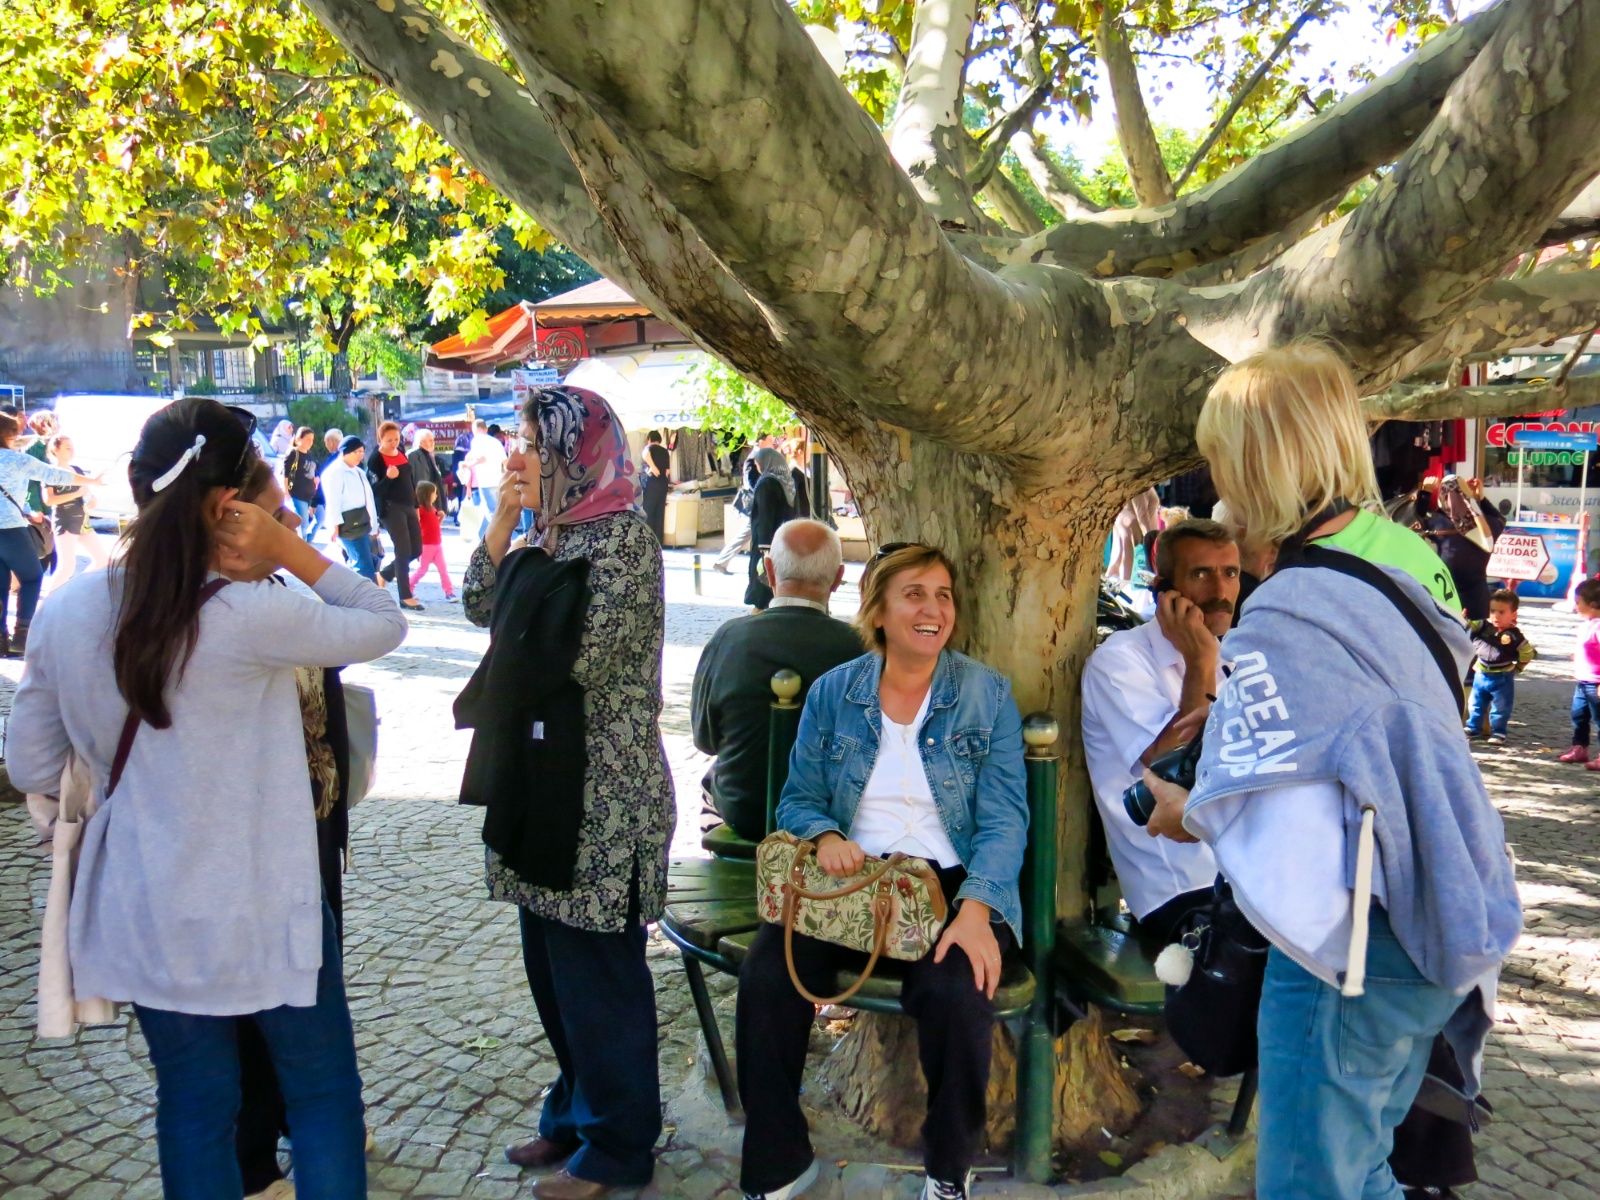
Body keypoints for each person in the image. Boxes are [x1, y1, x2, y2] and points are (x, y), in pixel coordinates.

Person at [1144, 341, 1520, 1200]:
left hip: (1354, 947)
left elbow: (1261, 802)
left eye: (1220, 459)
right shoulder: (1395, 560)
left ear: (1258, 462)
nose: (1212, 483)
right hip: (1439, 911)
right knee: (1362, 1173)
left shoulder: (1287, 607)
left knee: (1311, 1184)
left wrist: (1183, 809)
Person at [6, 396, 407, 1199]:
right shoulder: (252, 614)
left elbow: (30, 763)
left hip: (147, 904)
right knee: (322, 1097)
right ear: (231, 508)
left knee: (194, 1103)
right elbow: (380, 618)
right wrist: (289, 548)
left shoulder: (69, 608)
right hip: (267, 903)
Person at [736, 543, 1027, 1200]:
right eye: (915, 594)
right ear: (879, 609)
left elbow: (1008, 818)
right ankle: (779, 1160)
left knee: (958, 992)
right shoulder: (835, 693)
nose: (933, 609)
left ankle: (948, 1170)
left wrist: (979, 909)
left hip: (951, 884)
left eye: (943, 595)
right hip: (852, 883)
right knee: (766, 975)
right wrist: (826, 834)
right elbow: (798, 798)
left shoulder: (986, 695)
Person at [460, 385, 671, 1200]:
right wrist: (506, 524)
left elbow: (569, 662)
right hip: (542, 783)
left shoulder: (620, 542)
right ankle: (575, 1114)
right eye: (521, 446)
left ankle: (619, 1144)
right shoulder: (550, 538)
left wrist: (523, 592)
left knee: (599, 980)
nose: (522, 460)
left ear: (577, 455)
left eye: (536, 450)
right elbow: (481, 605)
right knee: (552, 972)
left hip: (602, 798)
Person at [226, 456, 364, 1199]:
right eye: (274, 516)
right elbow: (380, 618)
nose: (290, 527)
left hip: (309, 830)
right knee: (257, 1019)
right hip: (254, 845)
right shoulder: (240, 606)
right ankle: (257, 1156)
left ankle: (285, 1127)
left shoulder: (281, 593)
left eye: (288, 515)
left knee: (314, 997)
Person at [1080, 520, 1231, 942]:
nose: (1221, 589)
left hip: (1250, 872)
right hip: (1183, 888)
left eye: (1231, 572)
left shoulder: (1237, 655)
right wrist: (1200, 658)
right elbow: (1173, 768)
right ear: (1165, 592)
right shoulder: (1120, 662)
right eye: (1201, 573)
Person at [691, 519, 861, 842]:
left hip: (744, 812)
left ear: (769, 571)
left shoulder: (729, 638)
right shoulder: (861, 647)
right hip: (829, 822)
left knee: (710, 782)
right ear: (839, 578)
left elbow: (705, 740)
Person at [0, 412, 100, 656]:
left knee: (1, 584)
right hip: (11, 529)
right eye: (15, 431)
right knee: (33, 577)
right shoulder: (17, 460)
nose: (19, 434)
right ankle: (22, 635)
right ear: (8, 434)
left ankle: (1, 639)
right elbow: (55, 474)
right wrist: (92, 481)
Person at [1414, 475, 1504, 622]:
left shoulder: (1439, 522)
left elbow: (1415, 520)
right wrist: (1479, 499)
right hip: (1477, 600)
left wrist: (1426, 493)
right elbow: (1499, 518)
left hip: (1446, 596)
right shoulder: (1486, 525)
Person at [1464, 588, 1534, 744]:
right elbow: (1471, 624)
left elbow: (1528, 652)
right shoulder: (1483, 626)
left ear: (1513, 615)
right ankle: (1473, 728)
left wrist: (1519, 667)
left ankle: (1499, 732)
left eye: (1502, 612)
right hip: (1481, 673)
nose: (1496, 616)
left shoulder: (1515, 635)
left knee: (1501, 707)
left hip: (1502, 676)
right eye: (1492, 611)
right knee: (1475, 703)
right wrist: (1464, 619)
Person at [42, 435, 110, 593]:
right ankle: (47, 605)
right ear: (55, 450)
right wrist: (77, 493)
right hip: (65, 521)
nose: (71, 451)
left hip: (83, 521)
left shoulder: (77, 470)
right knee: (67, 566)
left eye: (72, 447)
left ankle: (74, 591)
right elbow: (49, 500)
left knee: (102, 559)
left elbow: (88, 495)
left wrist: (90, 499)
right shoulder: (50, 472)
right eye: (67, 448)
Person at [368, 420, 424, 612]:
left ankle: (384, 574)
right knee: (403, 550)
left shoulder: (400, 452)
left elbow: (410, 480)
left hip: (408, 505)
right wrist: (388, 478)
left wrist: (416, 505)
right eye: (389, 440)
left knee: (416, 549)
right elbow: (374, 489)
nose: (394, 443)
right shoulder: (375, 459)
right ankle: (405, 596)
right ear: (381, 439)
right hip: (391, 508)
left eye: (396, 439)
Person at [322, 435, 381, 582]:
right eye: (357, 452)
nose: (361, 455)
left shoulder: (358, 471)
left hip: (363, 521)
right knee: (363, 566)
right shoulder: (335, 471)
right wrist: (335, 525)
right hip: (348, 524)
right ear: (345, 452)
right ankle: (368, 598)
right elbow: (333, 499)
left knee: (365, 562)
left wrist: (374, 524)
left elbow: (368, 499)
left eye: (362, 451)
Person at [713, 434, 776, 573]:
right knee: (747, 533)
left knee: (748, 533)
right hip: (757, 503)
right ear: (761, 441)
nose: (773, 442)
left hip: (760, 503)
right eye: (770, 440)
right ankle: (721, 561)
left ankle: (721, 561)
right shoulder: (754, 458)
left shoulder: (763, 456)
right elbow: (752, 482)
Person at [744, 446, 796, 610]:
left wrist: (764, 547)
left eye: (758, 463)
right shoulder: (783, 481)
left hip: (766, 542)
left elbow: (765, 515)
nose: (757, 467)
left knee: (761, 586)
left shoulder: (766, 483)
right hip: (780, 539)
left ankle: (756, 621)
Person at [1560, 577, 1600, 768]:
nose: (1575, 606)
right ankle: (1579, 747)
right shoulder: (1586, 624)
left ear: (1592, 604)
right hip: (1583, 682)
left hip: (1596, 683)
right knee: (1579, 716)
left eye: (1578, 603)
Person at [410, 481, 455, 600]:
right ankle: (408, 588)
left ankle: (449, 592)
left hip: (437, 544)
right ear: (427, 494)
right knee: (422, 570)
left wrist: (441, 518)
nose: (436, 496)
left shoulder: (432, 509)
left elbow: (435, 526)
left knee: (443, 569)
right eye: (434, 493)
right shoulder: (420, 509)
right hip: (426, 545)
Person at [464, 417, 507, 539]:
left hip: (485, 480)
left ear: (475, 429)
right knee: (489, 509)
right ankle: (482, 535)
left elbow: (480, 459)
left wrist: (467, 465)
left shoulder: (477, 441)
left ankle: (503, 536)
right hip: (498, 480)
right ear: (486, 429)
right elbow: (505, 461)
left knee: (491, 511)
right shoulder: (496, 442)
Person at [1107, 487, 1160, 581]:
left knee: (1125, 556)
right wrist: (1150, 537)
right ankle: (1126, 586)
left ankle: (1123, 584)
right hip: (1135, 528)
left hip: (1128, 524)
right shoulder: (1142, 485)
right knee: (1130, 559)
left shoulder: (1144, 484)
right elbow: (1142, 514)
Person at [282, 426, 320, 534]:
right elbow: (286, 473)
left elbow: (314, 468)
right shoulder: (294, 453)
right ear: (299, 439)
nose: (310, 442)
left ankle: (304, 543)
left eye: (312, 440)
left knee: (306, 523)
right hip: (297, 493)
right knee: (303, 523)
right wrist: (286, 491)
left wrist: (316, 477)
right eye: (307, 439)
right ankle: (301, 545)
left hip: (309, 495)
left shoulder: (310, 454)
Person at [641, 430, 671, 544]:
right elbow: (668, 471)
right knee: (660, 512)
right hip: (663, 483)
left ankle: (648, 541)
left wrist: (653, 467)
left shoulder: (649, 448)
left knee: (649, 511)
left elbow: (645, 454)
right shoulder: (665, 451)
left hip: (652, 483)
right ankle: (659, 541)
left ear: (649, 439)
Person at [408, 428, 446, 516]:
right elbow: (410, 478)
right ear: (421, 442)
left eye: (433, 440)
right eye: (430, 440)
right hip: (421, 499)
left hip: (432, 498)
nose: (433, 443)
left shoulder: (430, 455)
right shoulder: (412, 455)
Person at [785, 438, 811, 519]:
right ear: (801, 452)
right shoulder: (792, 472)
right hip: (801, 516)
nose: (810, 454)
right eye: (808, 450)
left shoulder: (807, 470)